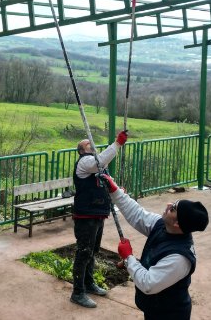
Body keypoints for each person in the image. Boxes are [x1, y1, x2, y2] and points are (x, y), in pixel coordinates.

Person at [101, 173, 208, 319]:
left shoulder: (179, 258)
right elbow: (137, 214)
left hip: (169, 315)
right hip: (154, 308)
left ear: (177, 223)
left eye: (173, 209)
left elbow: (148, 283)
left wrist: (129, 258)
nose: (168, 205)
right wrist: (115, 191)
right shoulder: (162, 225)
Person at [69, 130, 128, 308]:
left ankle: (88, 283)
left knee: (92, 251)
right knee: (84, 252)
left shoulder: (97, 165)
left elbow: (106, 182)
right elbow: (100, 161)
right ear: (82, 150)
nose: (92, 145)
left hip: (97, 213)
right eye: (88, 144)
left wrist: (117, 190)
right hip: (85, 215)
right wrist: (117, 144)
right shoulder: (86, 162)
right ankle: (77, 292)